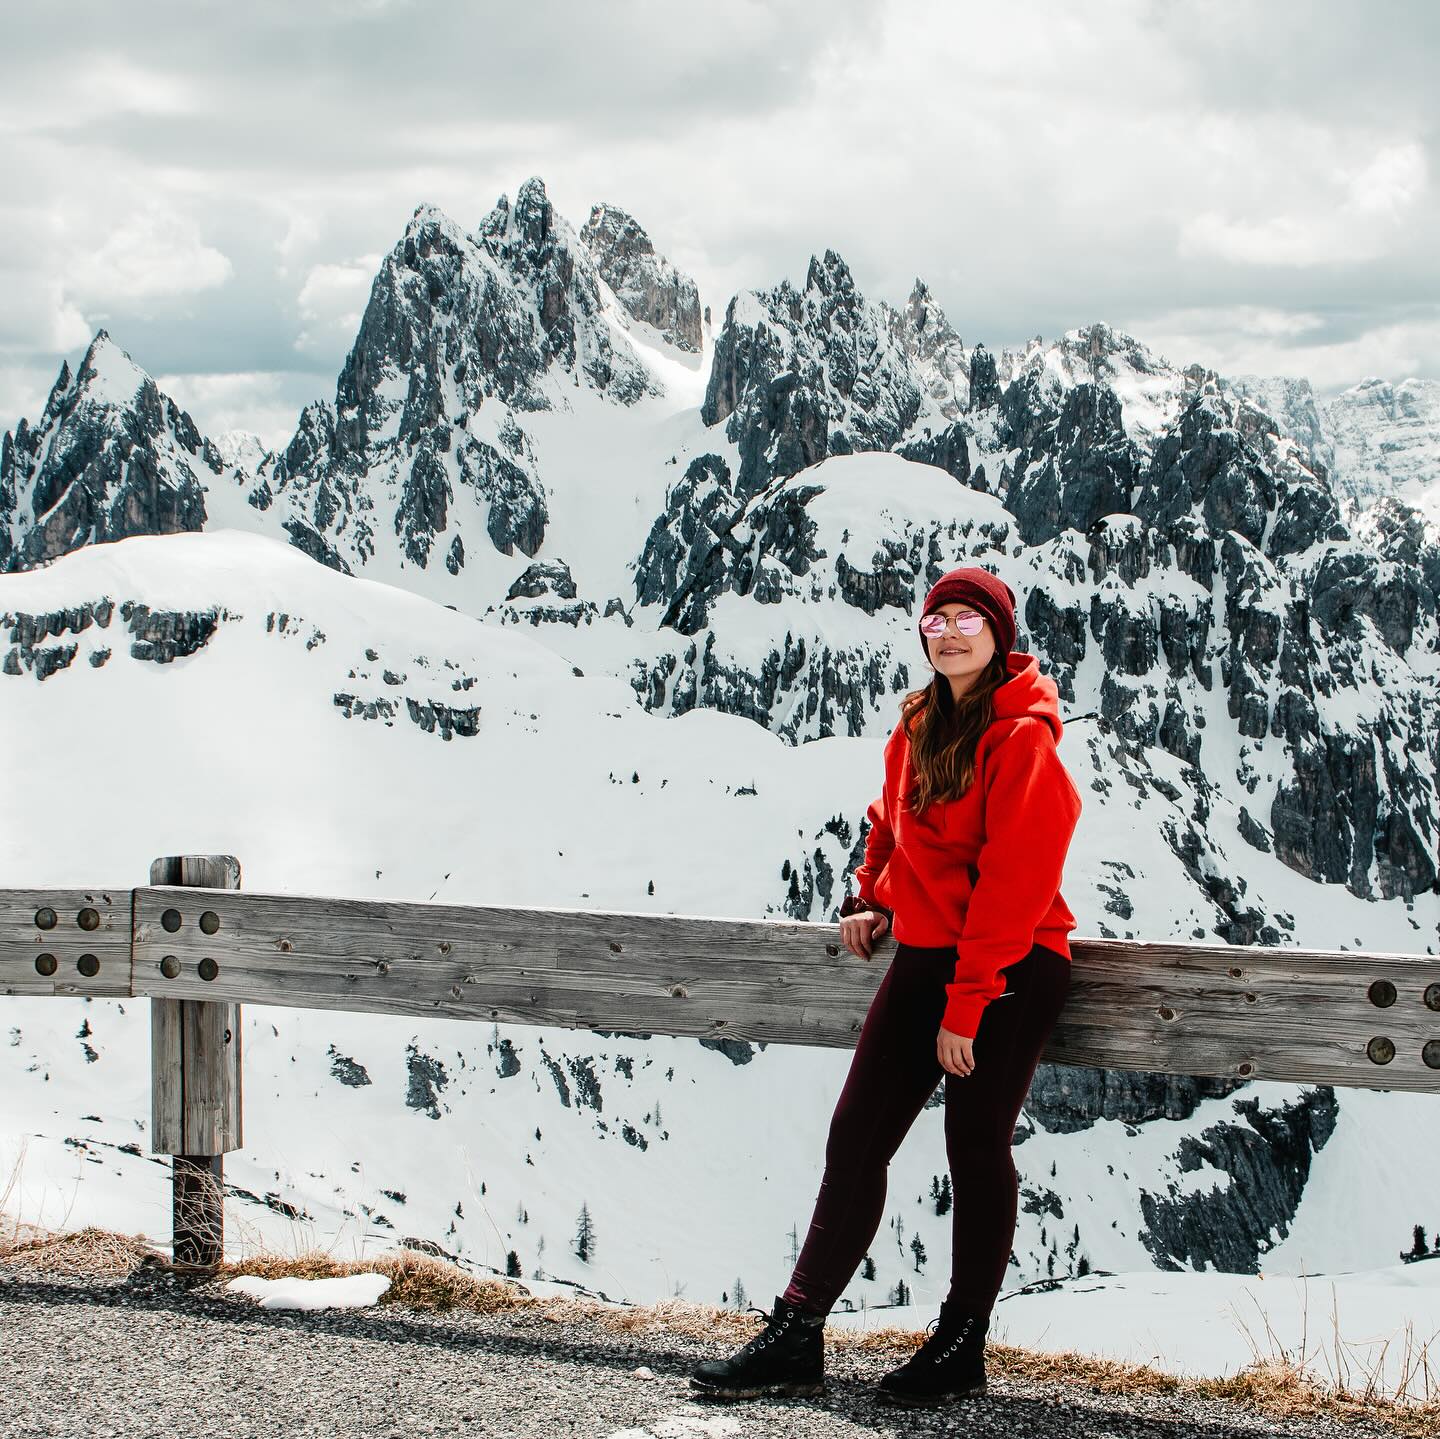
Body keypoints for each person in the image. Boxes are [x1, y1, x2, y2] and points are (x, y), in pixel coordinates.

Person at [690, 565, 1083, 1408]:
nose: (950, 632)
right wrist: (872, 894)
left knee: (974, 1144)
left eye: (969, 619)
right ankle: (798, 1330)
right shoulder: (918, 723)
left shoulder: (1025, 740)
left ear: (1000, 635)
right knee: (856, 1134)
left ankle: (962, 1342)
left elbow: (1016, 881)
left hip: (1012, 964)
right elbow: (889, 819)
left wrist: (969, 1002)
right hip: (930, 952)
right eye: (937, 619)